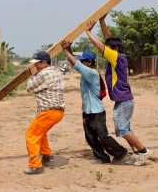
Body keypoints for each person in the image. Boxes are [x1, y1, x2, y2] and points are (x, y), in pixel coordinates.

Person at [85, 14, 152, 166]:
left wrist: (89, 32)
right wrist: (102, 21)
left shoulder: (117, 57)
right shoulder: (118, 56)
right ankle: (136, 154)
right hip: (122, 99)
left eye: (109, 49)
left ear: (114, 50)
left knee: (122, 129)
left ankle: (143, 151)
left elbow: (101, 46)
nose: (106, 51)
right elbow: (108, 39)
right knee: (123, 128)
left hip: (124, 99)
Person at [60, 40, 128, 164]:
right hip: (87, 110)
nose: (81, 63)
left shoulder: (91, 73)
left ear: (89, 62)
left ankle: (120, 152)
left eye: (83, 61)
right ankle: (102, 157)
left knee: (103, 137)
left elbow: (74, 63)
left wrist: (65, 50)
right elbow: (75, 62)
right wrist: (68, 49)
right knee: (90, 136)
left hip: (97, 111)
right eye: (81, 60)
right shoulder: (86, 72)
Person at [24, 51, 66, 174]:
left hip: (49, 111)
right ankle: (47, 155)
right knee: (41, 132)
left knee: (31, 134)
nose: (35, 66)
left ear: (44, 63)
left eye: (37, 64)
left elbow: (29, 87)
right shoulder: (57, 72)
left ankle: (36, 166)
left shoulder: (43, 74)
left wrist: (33, 74)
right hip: (58, 112)